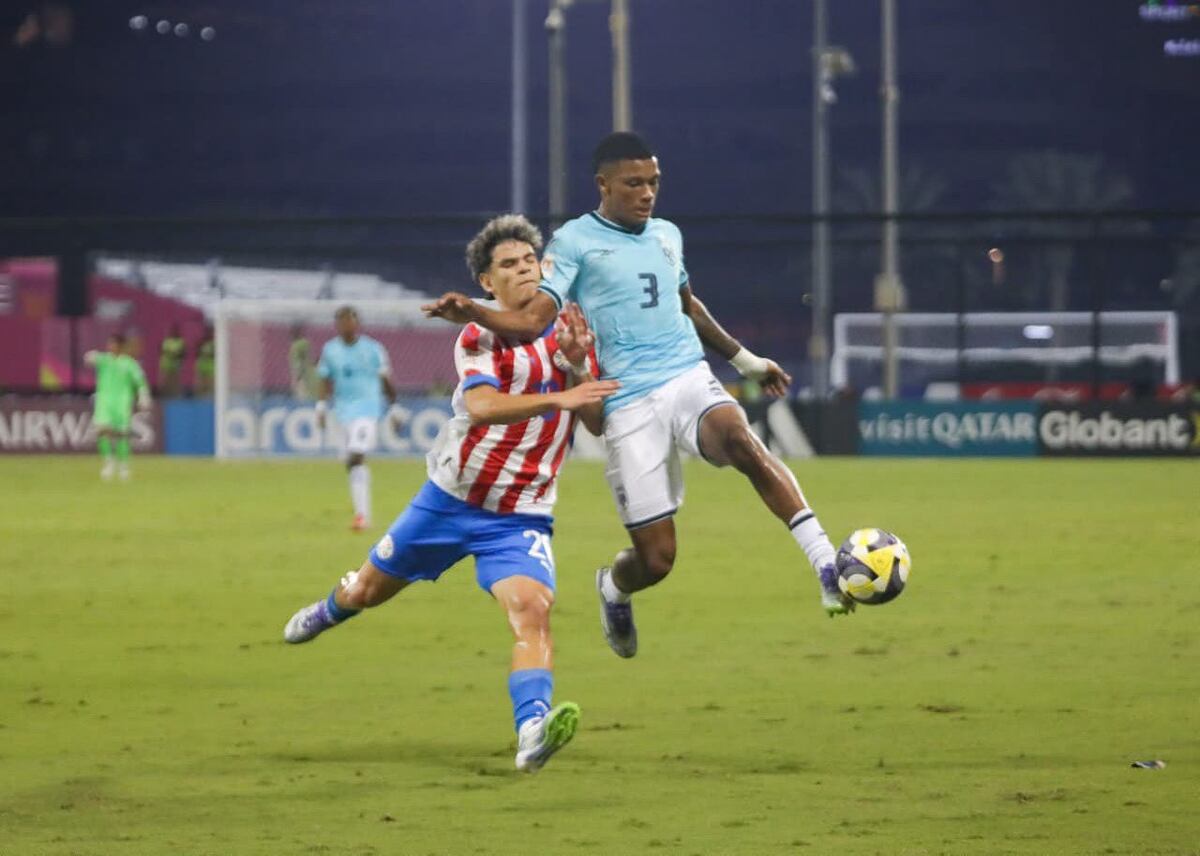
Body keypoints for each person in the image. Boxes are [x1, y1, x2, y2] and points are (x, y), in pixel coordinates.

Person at [423, 132, 854, 665]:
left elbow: (688, 306)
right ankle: (614, 589)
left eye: (653, 182)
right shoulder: (574, 242)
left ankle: (825, 563)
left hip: (685, 377)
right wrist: (476, 312)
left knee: (740, 439)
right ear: (603, 185)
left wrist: (746, 362)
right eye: (634, 183)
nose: (647, 193)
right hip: (626, 403)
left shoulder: (668, 235)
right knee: (657, 560)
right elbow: (533, 319)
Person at [284, 214, 617, 772]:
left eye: (530, 262)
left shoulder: (568, 329)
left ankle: (533, 729)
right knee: (367, 591)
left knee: (532, 611)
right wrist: (558, 399)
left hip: (521, 514)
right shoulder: (478, 335)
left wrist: (580, 367)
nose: (524, 271)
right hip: (449, 501)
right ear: (488, 283)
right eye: (509, 265)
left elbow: (598, 422)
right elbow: (484, 407)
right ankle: (330, 607)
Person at [315, 306, 400, 532]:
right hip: (342, 413)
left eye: (349, 321)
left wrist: (394, 408)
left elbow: (386, 381)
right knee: (351, 464)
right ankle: (362, 515)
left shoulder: (373, 349)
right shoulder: (330, 350)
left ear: (357, 323)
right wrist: (321, 407)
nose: (346, 326)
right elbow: (325, 380)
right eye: (341, 322)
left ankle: (362, 516)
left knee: (356, 457)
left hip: (368, 411)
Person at [84, 333, 151, 481]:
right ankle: (108, 462)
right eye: (109, 344)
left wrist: (143, 395)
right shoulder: (105, 360)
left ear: (120, 346)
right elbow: (89, 359)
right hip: (104, 402)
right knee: (102, 430)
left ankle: (123, 466)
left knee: (121, 435)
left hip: (122, 403)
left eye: (113, 344)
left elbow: (140, 380)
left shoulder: (129, 363)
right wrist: (89, 357)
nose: (110, 347)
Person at [158, 324, 186, 398]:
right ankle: (165, 395)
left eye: (175, 331)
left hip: (176, 365)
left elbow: (183, 353)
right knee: (166, 381)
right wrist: (171, 353)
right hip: (166, 364)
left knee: (175, 381)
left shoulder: (180, 341)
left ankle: (175, 395)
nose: (173, 332)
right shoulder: (166, 341)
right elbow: (161, 351)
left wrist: (176, 354)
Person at [288, 325, 315, 400]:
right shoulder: (304, 343)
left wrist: (298, 375)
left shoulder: (298, 345)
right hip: (303, 372)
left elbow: (299, 360)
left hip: (301, 374)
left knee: (301, 392)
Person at [193, 327, 215, 396]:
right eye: (206, 333)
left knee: (210, 381)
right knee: (201, 381)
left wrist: (209, 354)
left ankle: (210, 395)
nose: (208, 334)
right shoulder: (201, 342)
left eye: (209, 333)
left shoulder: (214, 344)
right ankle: (200, 395)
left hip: (210, 364)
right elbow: (196, 353)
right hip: (202, 364)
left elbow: (216, 354)